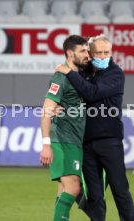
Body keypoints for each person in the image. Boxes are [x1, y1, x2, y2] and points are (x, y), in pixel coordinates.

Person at [56, 34, 134, 221]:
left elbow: (92, 93)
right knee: (95, 196)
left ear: (111, 52)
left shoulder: (116, 73)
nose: (102, 56)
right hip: (86, 142)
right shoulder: (84, 72)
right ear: (90, 54)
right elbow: (70, 92)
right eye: (97, 52)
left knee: (120, 191)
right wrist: (59, 105)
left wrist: (69, 73)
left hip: (110, 141)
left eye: (106, 52)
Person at [39, 35, 90, 221]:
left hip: (74, 139)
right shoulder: (60, 78)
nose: (88, 55)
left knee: (63, 189)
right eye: (83, 51)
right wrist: (46, 144)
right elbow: (46, 111)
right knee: (74, 188)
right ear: (70, 53)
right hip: (63, 139)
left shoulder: (79, 76)